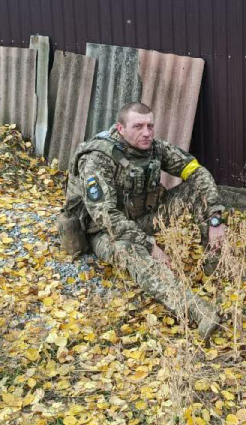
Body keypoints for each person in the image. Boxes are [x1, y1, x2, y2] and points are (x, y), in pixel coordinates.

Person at [60, 102, 226, 338]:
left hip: (144, 217)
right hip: (104, 233)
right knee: (131, 251)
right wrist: (149, 244)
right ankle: (198, 311)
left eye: (150, 126)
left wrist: (215, 220)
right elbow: (105, 217)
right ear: (120, 128)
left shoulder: (154, 148)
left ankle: (217, 265)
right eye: (138, 126)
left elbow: (196, 171)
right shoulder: (98, 157)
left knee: (197, 189)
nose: (146, 132)